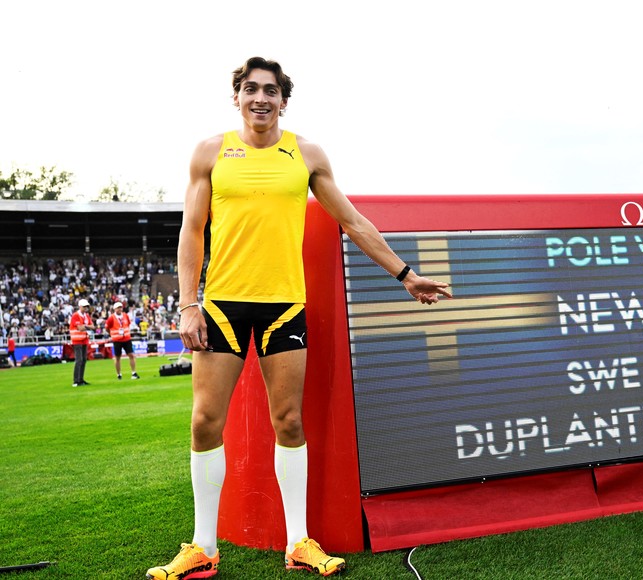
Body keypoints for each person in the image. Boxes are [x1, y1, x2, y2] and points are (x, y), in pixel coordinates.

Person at [146, 56, 452, 580]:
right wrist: (187, 303)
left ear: (284, 100)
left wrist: (406, 275)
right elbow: (191, 230)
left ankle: (298, 542)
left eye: (270, 90)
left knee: (288, 421)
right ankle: (202, 546)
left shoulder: (305, 154)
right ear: (237, 98)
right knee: (204, 421)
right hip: (221, 305)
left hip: (284, 305)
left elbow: (352, 221)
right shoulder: (210, 152)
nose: (260, 98)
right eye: (250, 89)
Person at [105, 301, 140, 380]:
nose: (120, 309)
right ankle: (119, 374)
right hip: (117, 340)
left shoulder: (125, 316)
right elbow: (107, 328)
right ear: (114, 309)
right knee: (117, 357)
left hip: (126, 338)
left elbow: (128, 324)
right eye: (118, 308)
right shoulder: (111, 318)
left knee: (131, 355)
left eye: (121, 307)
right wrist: (112, 334)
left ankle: (134, 373)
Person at [69, 298, 94, 387]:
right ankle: (76, 380)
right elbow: (80, 328)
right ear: (80, 307)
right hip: (77, 340)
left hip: (84, 340)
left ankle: (81, 379)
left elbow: (92, 326)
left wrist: (85, 326)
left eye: (86, 307)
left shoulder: (86, 316)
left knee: (83, 360)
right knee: (79, 360)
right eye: (84, 307)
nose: (85, 308)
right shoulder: (75, 315)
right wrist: (87, 326)